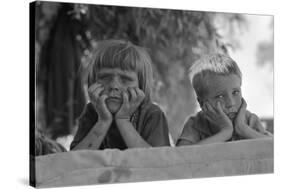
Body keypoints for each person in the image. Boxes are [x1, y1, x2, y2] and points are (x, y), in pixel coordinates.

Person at [71, 39, 170, 150]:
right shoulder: (91, 112)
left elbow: (158, 163)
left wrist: (123, 120)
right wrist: (103, 121)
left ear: (141, 87)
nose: (114, 86)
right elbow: (74, 161)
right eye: (104, 77)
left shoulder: (152, 114)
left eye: (125, 79)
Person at [177, 53, 272, 146]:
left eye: (235, 92)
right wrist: (225, 132)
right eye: (220, 96)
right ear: (202, 103)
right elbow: (181, 156)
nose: (231, 103)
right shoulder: (195, 124)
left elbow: (273, 147)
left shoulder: (250, 120)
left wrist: (243, 128)